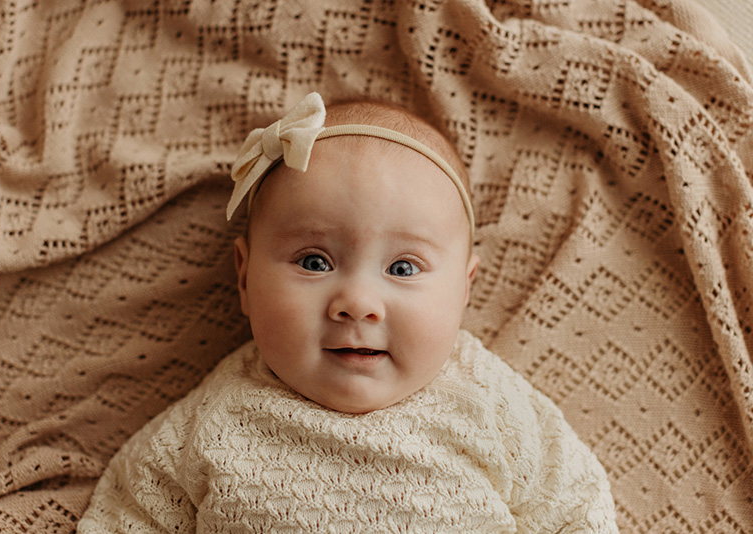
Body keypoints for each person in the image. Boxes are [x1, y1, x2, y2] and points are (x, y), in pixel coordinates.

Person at [77, 92, 618, 533]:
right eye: (314, 261)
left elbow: (576, 506)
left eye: (403, 269)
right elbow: (129, 513)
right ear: (244, 278)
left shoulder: (492, 404)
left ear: (464, 291)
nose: (357, 302)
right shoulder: (215, 419)